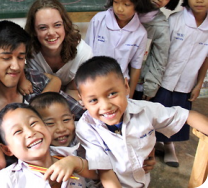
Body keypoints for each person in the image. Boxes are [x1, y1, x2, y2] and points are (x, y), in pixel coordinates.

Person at [75, 56, 208, 187]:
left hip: (141, 182)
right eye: (93, 100)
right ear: (82, 101)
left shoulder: (145, 110)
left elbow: (188, 116)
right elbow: (105, 172)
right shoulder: (86, 128)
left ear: (126, 86)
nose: (105, 106)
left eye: (112, 94)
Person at [152, 0, 208, 167]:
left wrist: (199, 83)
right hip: (165, 79)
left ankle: (169, 146)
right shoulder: (175, 20)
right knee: (159, 112)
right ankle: (152, 144)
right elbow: (160, 51)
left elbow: (205, 59)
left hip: (187, 82)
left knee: (180, 115)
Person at [0, 20, 85, 119]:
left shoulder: (36, 82)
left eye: (20, 58)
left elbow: (83, 114)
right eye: (6, 58)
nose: (15, 67)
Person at [0, 103, 100, 187]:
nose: (30, 132)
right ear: (7, 149)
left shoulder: (71, 156)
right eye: (18, 131)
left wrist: (76, 163)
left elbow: (101, 175)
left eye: (33, 123)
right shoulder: (5, 180)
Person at [85, 0, 153, 98]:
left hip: (119, 86)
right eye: (116, 2)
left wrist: (130, 94)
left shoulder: (140, 33)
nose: (119, 9)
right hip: (94, 80)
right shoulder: (99, 20)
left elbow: (136, 67)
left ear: (138, 4)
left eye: (126, 4)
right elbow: (86, 53)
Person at [25, 0, 93, 100]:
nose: (51, 33)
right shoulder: (29, 53)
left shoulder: (83, 54)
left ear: (65, 25)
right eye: (43, 27)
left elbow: (77, 92)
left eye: (57, 25)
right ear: (34, 31)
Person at [134, 0, 182, 100]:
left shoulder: (161, 26)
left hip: (138, 84)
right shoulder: (128, 12)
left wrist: (150, 88)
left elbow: (159, 59)